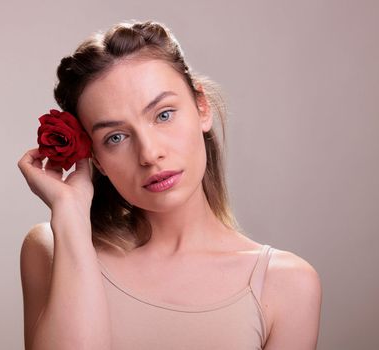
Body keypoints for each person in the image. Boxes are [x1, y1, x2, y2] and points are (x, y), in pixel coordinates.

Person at [17, 20, 322, 350]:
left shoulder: (285, 284)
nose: (149, 154)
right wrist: (71, 216)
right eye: (115, 137)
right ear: (97, 159)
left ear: (201, 107)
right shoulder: (51, 248)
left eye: (163, 115)